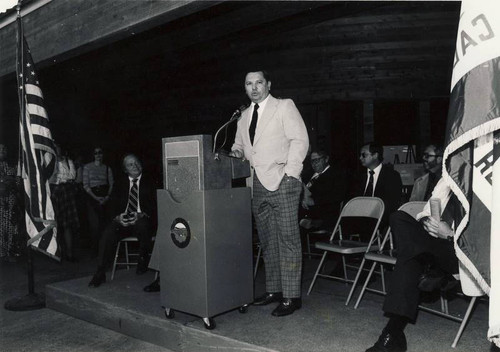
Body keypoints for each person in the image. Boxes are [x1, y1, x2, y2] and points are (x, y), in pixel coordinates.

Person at [230, 70, 309, 317]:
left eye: (259, 83)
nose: (254, 88)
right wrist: (234, 154)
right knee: (267, 241)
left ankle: (291, 296)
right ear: (245, 88)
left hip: (282, 182)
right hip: (255, 185)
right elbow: (239, 147)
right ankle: (274, 290)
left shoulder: (284, 106)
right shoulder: (242, 117)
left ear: (268, 85)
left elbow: (300, 140)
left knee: (288, 240)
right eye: (249, 84)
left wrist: (291, 175)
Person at [365, 176, 460, 352]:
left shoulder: (484, 187)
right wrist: (426, 221)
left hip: (459, 249)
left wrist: (449, 235)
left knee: (410, 261)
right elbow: (426, 211)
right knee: (398, 217)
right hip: (432, 245)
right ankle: (436, 270)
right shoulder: (448, 178)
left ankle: (390, 334)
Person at [88, 154, 157, 287]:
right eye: (130, 165)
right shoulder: (120, 183)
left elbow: (156, 206)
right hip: (123, 222)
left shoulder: (151, 181)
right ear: (125, 170)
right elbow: (111, 206)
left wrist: (143, 214)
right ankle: (100, 272)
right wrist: (117, 217)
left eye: (136, 162)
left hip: (142, 220)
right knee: (108, 232)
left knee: (143, 225)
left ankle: (143, 259)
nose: (135, 166)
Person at [357, 142, 403, 227]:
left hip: (381, 219)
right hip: (359, 218)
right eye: (360, 155)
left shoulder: (392, 176)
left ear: (375, 155)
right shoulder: (357, 177)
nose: (360, 158)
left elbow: (393, 203)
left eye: (364, 155)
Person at [300, 150, 347, 231]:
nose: (314, 163)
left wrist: (314, 201)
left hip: (323, 214)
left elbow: (337, 196)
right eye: (312, 161)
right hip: (303, 211)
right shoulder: (307, 175)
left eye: (317, 160)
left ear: (326, 159)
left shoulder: (336, 175)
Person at [49, 144, 79, 261]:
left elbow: (72, 176)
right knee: (55, 223)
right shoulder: (50, 162)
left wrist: (61, 179)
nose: (57, 150)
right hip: (55, 192)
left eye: (58, 148)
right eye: (55, 148)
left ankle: (69, 254)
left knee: (67, 224)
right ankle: (57, 253)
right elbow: (51, 178)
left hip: (66, 192)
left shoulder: (68, 161)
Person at [83, 147, 114, 257]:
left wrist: (107, 197)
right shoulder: (87, 167)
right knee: (94, 226)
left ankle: (105, 251)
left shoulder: (107, 168)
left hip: (105, 197)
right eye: (95, 153)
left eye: (100, 153)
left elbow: (111, 184)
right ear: (93, 155)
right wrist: (96, 198)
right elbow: (86, 185)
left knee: (105, 225)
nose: (98, 155)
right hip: (92, 197)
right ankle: (95, 251)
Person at [0, 144, 22, 261]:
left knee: (12, 225)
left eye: (4, 149)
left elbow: (18, 183)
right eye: (1, 149)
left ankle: (10, 251)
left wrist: (12, 180)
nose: (3, 151)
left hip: (11, 199)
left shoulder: (12, 166)